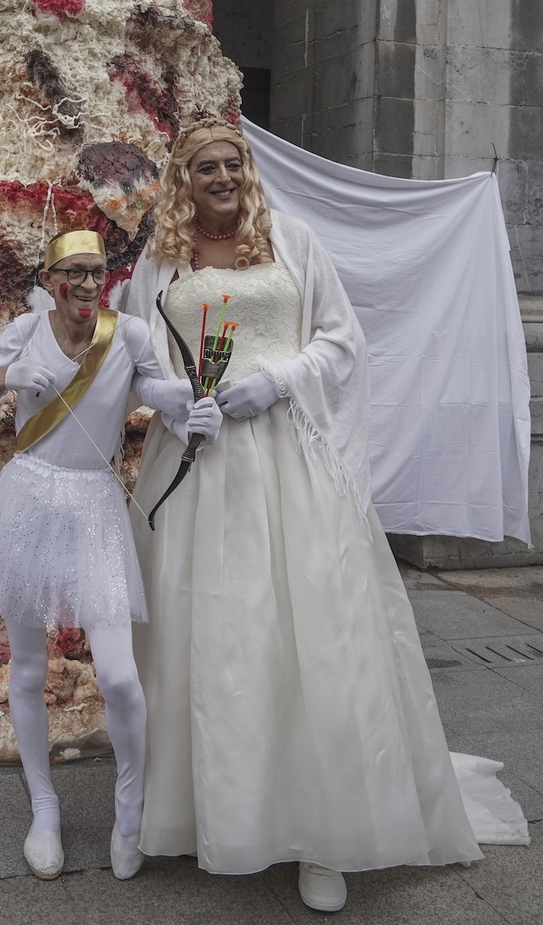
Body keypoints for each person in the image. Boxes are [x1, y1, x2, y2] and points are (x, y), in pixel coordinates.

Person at [124, 118, 485, 914]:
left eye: (233, 164)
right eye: (206, 168)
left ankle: (327, 834)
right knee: (213, 636)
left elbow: (342, 341)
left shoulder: (293, 239)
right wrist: (174, 403)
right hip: (200, 467)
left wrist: (279, 380)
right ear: (182, 179)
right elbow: (138, 359)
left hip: (289, 457)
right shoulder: (161, 259)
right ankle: (208, 808)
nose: (223, 177)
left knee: (310, 631)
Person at [0, 228, 219, 883]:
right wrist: (6, 377)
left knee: (120, 676)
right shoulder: (25, 329)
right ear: (48, 280)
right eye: (70, 272)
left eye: (94, 272)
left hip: (96, 505)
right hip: (28, 499)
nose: (83, 283)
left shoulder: (125, 334)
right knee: (28, 667)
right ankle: (43, 807)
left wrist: (194, 408)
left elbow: (157, 394)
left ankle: (130, 810)